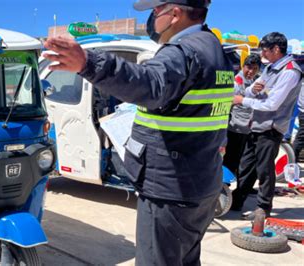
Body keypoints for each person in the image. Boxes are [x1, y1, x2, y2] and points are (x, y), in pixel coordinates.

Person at [44, 0, 234, 265]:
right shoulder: (213, 49)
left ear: (175, 14)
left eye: (156, 10)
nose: (152, 18)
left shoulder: (181, 53)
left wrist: (87, 62)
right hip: (200, 181)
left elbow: (150, 83)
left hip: (170, 187)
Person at [231, 32, 303, 219]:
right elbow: (252, 89)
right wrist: (250, 92)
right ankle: (237, 200)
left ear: (276, 49)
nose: (262, 53)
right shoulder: (270, 68)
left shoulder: (290, 71)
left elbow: (273, 104)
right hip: (256, 125)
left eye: (265, 49)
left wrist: (242, 100)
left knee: (264, 169)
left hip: (271, 127)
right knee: (246, 166)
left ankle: (263, 207)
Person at [223, 54, 261, 176]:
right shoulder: (236, 83)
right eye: (248, 67)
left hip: (247, 128)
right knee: (230, 160)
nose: (251, 71)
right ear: (242, 66)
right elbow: (227, 105)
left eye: (255, 69)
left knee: (242, 161)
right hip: (234, 128)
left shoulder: (254, 82)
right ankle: (225, 189)